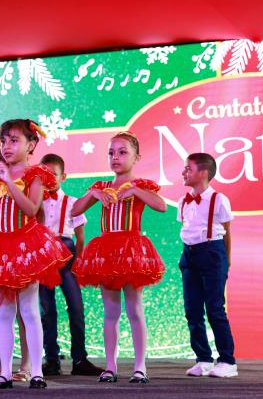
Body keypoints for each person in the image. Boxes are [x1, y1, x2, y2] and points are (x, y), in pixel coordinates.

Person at [0, 118, 71, 390]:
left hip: (25, 247)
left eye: (14, 140)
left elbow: (31, 209)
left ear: (31, 145)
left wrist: (9, 181)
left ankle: (36, 372)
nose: (6, 146)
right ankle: (5, 373)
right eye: (3, 141)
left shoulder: (36, 175)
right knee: (4, 312)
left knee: (30, 311)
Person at [71, 131, 166, 384]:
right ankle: (110, 366)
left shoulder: (140, 185)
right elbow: (74, 210)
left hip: (131, 250)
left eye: (123, 152)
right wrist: (93, 195)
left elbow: (161, 206)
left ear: (136, 157)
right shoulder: (102, 187)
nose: (116, 157)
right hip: (106, 253)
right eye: (111, 153)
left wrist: (135, 191)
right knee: (111, 311)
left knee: (135, 309)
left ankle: (140, 366)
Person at [37, 154, 103, 377]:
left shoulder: (73, 202)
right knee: (47, 309)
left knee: (75, 307)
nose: (49, 179)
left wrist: (79, 260)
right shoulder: (35, 202)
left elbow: (80, 236)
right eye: (44, 175)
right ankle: (51, 359)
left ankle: (79, 359)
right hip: (44, 256)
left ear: (63, 177)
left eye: (53, 175)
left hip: (67, 256)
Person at [177, 153, 237, 378]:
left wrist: (226, 260)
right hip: (189, 255)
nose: (184, 172)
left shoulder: (219, 199)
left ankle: (227, 361)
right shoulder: (183, 201)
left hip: (212, 253)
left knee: (214, 308)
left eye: (188, 169)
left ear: (203, 173)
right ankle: (203, 358)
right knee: (192, 310)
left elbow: (227, 232)